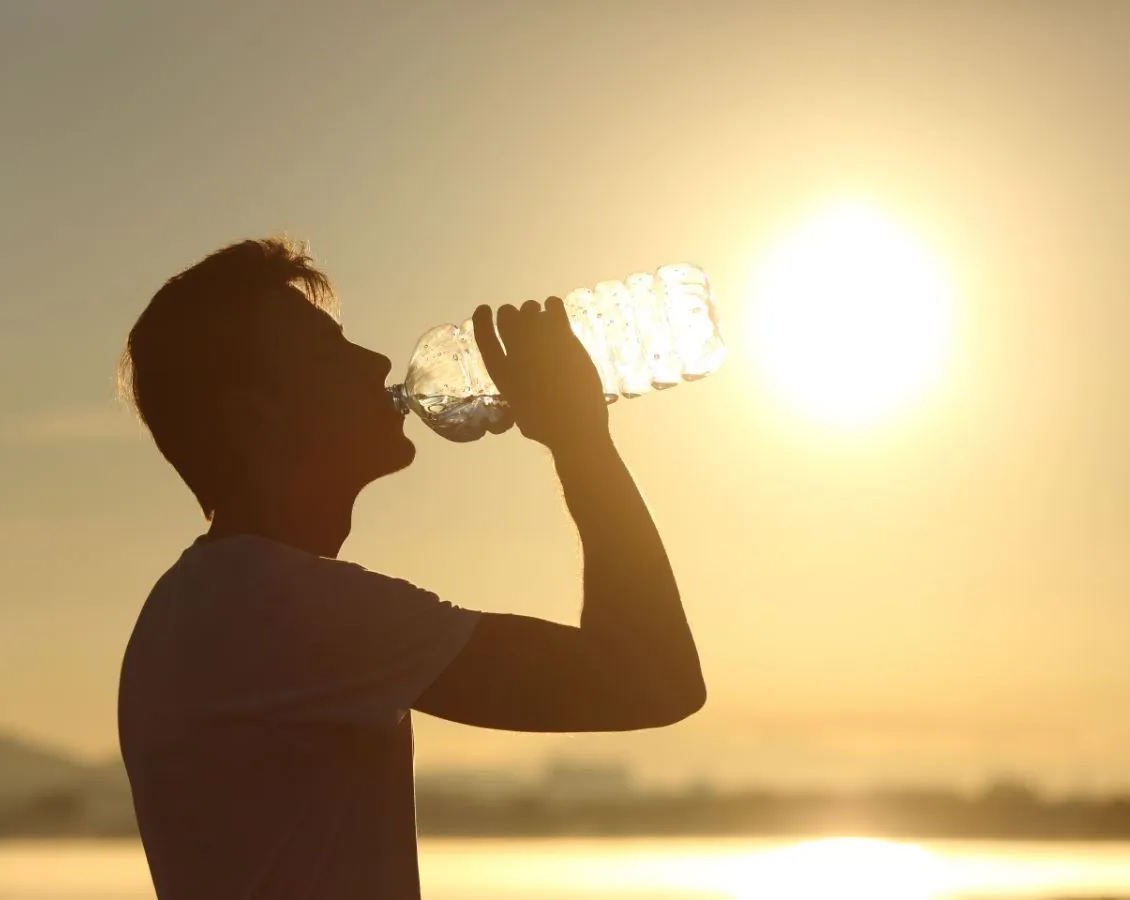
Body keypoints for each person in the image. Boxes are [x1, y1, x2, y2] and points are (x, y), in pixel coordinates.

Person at [115, 238, 706, 900]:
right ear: (259, 412)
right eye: (329, 352)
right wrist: (579, 437)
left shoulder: (191, 608)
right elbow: (653, 681)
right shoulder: (278, 608)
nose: (375, 363)